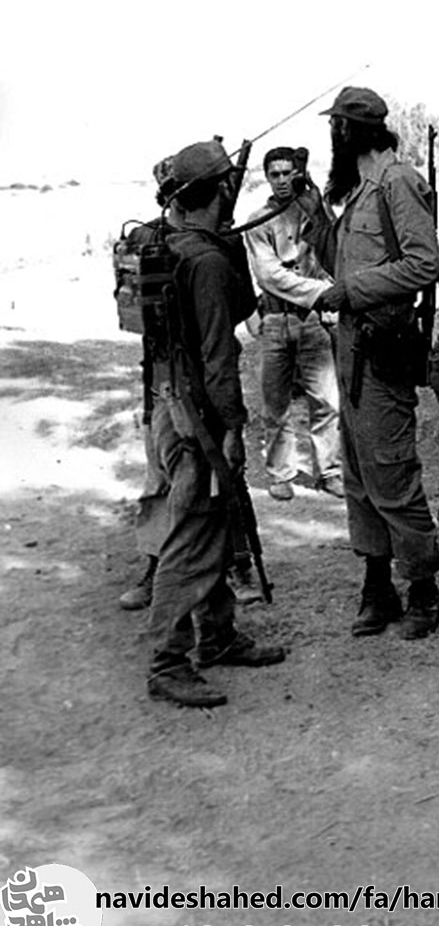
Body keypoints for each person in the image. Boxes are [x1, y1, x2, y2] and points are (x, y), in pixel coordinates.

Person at [299, 86, 439, 640]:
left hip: (383, 352)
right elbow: (341, 264)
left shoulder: (397, 182)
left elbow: (424, 264)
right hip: (351, 352)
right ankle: (377, 586)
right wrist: (316, 216)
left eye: (335, 127)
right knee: (359, 475)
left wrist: (353, 291)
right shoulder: (360, 190)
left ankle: (423, 590)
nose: (332, 137)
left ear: (348, 131)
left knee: (391, 473)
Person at [146, 140, 285, 708]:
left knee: (217, 524)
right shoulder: (205, 262)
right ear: (222, 190)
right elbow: (217, 357)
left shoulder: (171, 242)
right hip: (197, 418)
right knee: (193, 535)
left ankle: (219, 635)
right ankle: (167, 661)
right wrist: (232, 428)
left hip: (169, 404)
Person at [119, 157, 263, 611]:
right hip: (185, 395)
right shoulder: (189, 252)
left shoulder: (182, 242)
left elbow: (238, 309)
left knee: (211, 500)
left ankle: (224, 606)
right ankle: (168, 642)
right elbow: (218, 350)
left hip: (172, 389)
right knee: (185, 506)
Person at [244, 146, 343, 501]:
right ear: (267, 178)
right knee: (276, 405)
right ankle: (280, 473)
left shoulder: (313, 212)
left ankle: (329, 470)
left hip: (312, 321)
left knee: (327, 401)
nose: (283, 180)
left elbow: (334, 253)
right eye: (276, 174)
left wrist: (319, 210)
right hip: (275, 320)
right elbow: (269, 275)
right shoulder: (258, 222)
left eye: (288, 173)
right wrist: (323, 292)